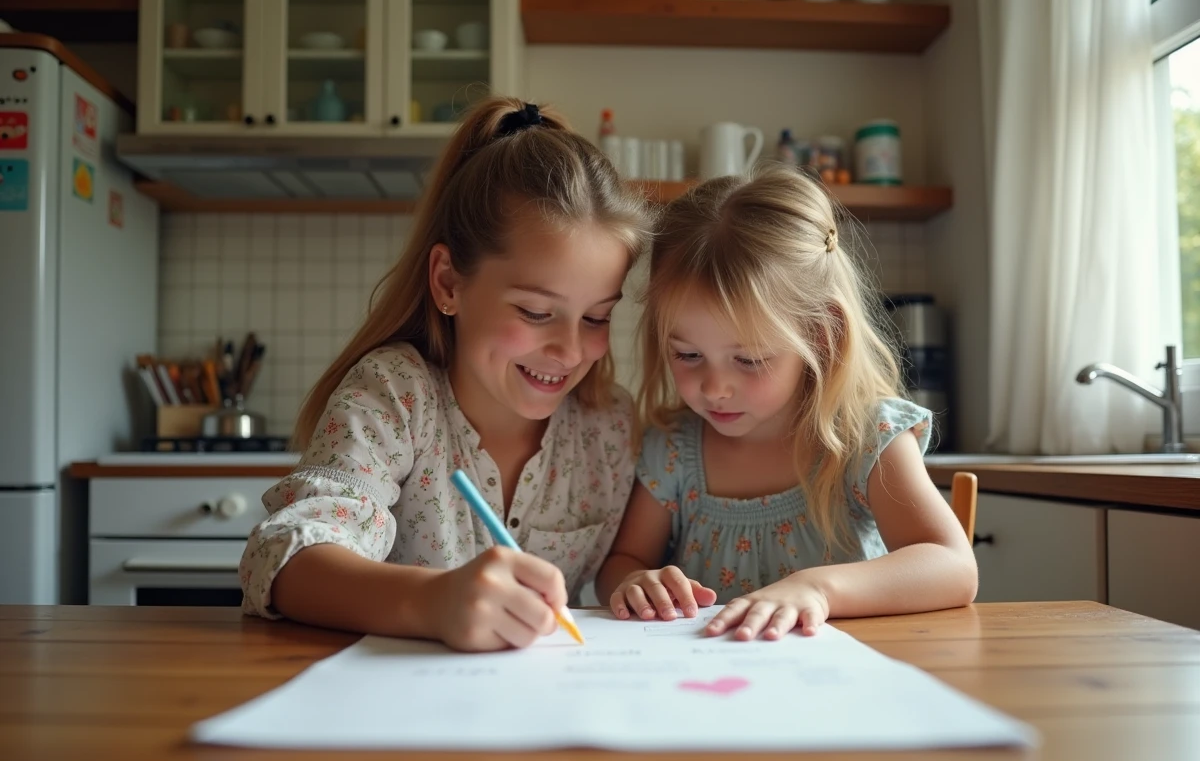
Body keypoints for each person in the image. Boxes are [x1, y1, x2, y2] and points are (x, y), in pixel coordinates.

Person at [240, 98, 653, 652]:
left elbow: (617, 569)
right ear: (449, 283)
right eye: (535, 312)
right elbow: (283, 558)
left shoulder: (609, 426)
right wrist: (432, 601)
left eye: (598, 317)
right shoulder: (395, 394)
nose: (570, 349)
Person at [596, 164, 977, 641]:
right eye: (687, 354)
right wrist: (635, 582)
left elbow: (953, 566)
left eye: (750, 360)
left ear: (821, 337)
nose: (715, 387)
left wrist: (819, 588)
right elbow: (624, 562)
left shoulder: (864, 440)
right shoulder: (672, 450)